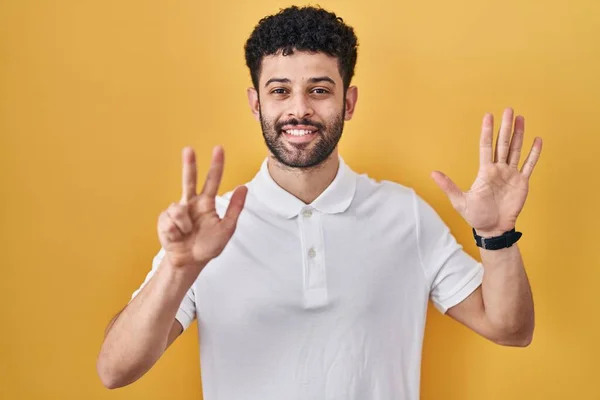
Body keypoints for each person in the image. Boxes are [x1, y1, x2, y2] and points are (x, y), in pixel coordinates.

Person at [96, 5, 542, 399]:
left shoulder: (404, 214)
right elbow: (115, 371)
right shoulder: (208, 230)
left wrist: (496, 234)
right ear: (256, 103)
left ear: (348, 102)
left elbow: (510, 329)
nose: (299, 109)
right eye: (279, 90)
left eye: (319, 90)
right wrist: (178, 269)